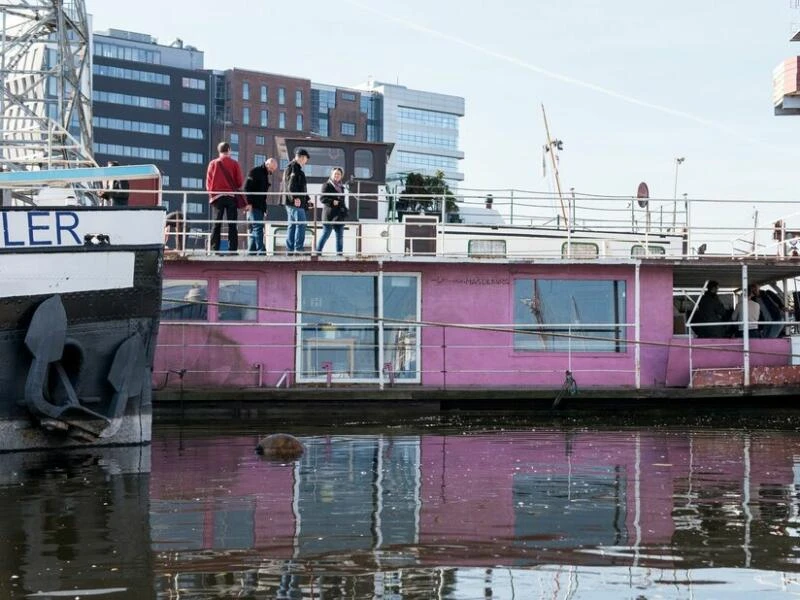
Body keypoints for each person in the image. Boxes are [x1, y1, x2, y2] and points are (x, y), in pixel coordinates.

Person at [206, 141, 244, 254]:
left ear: (219, 151)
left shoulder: (213, 163)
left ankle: (214, 249)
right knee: (232, 224)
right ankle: (232, 249)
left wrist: (212, 194)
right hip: (231, 197)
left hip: (217, 197)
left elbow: (208, 182)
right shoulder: (234, 163)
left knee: (216, 224)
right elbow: (239, 182)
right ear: (229, 150)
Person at [244, 157, 278, 255]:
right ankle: (261, 251)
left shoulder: (263, 174)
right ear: (267, 164)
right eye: (271, 169)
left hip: (259, 206)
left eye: (273, 170)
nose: (272, 171)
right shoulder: (255, 172)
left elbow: (262, 195)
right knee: (258, 228)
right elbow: (246, 188)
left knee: (254, 229)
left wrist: (264, 208)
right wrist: (249, 203)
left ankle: (251, 252)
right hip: (254, 206)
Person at [283, 148, 312, 255]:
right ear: (302, 157)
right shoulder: (294, 168)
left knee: (292, 225)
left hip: (292, 201)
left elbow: (298, 187)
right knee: (301, 223)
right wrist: (295, 197)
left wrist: (307, 199)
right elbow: (291, 185)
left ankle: (290, 250)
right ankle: (298, 248)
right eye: (305, 160)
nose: (305, 162)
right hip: (294, 202)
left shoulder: (293, 167)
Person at [315, 167, 348, 255]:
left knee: (339, 236)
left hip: (339, 215)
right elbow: (322, 198)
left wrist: (345, 211)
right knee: (326, 234)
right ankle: (318, 252)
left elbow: (342, 201)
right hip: (329, 214)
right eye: (335, 174)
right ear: (331, 175)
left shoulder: (342, 187)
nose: (337, 175)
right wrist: (332, 201)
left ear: (341, 176)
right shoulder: (326, 185)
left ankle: (339, 254)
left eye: (339, 174)